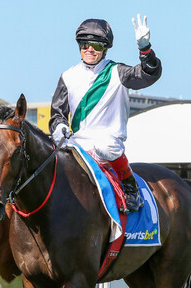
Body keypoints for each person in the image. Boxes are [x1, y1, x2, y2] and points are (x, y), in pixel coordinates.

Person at [49, 15, 162, 212]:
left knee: (105, 146)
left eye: (97, 45)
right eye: (85, 44)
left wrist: (145, 48)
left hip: (108, 141)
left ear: (106, 48)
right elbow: (57, 113)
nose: (90, 49)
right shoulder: (67, 76)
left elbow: (149, 74)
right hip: (76, 142)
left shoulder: (119, 72)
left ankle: (130, 187)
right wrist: (59, 126)